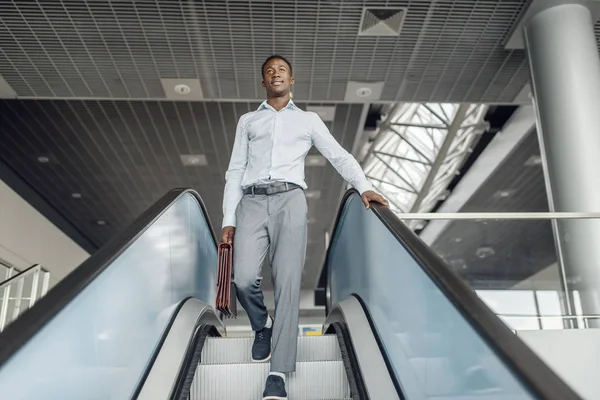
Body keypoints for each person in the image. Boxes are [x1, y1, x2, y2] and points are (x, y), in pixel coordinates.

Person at [221, 54, 388, 400]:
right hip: (251, 202)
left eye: (281, 70)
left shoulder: (308, 121)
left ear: (291, 80)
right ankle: (261, 326)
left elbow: (339, 155)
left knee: (287, 284)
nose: (275, 74)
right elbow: (235, 171)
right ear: (263, 82)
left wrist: (363, 185)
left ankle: (278, 374)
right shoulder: (248, 121)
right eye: (269, 71)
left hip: (291, 201)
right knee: (242, 277)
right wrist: (228, 219)